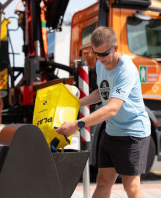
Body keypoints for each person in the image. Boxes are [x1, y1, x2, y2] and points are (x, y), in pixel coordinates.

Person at [56, 26, 151, 198]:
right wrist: (77, 103)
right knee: (103, 182)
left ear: (115, 48)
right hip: (111, 133)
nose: (100, 59)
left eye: (104, 54)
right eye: (96, 54)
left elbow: (112, 108)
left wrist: (77, 125)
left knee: (131, 187)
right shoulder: (102, 64)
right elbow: (103, 92)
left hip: (133, 133)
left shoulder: (126, 70)